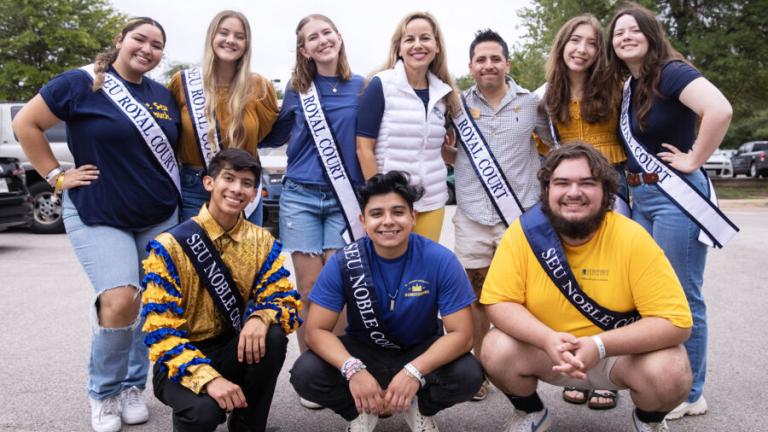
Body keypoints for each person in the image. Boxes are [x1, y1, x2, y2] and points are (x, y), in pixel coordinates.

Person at [12, 17, 180, 432]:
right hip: (98, 209)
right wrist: (55, 176)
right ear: (120, 40)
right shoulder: (81, 83)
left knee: (149, 304)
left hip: (158, 212)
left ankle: (131, 388)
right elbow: (25, 125)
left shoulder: (162, 95)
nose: (147, 49)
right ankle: (103, 393)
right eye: (139, 39)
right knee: (121, 297)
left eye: (157, 45)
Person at [480, 144, 693, 432]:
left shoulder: (632, 238)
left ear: (606, 192)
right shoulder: (523, 234)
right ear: (547, 191)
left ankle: (649, 422)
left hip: (618, 357)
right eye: (562, 183)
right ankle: (530, 413)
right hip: (550, 351)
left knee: (672, 369)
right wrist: (546, 339)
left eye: (587, 183)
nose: (573, 192)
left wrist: (600, 345)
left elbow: (676, 323)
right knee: (495, 347)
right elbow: (498, 302)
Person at [607, 3, 735, 419]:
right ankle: (664, 377)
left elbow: (720, 109)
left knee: (681, 297)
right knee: (654, 297)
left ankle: (691, 392)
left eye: (633, 30)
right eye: (618, 32)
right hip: (642, 198)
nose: (625, 37)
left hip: (674, 197)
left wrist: (695, 158)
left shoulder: (671, 72)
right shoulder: (632, 84)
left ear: (650, 34)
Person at [290, 171, 483, 432]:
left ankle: (421, 408)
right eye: (377, 214)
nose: (388, 222)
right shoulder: (345, 261)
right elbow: (315, 331)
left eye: (398, 212)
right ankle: (359, 411)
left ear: (413, 217)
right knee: (306, 373)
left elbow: (462, 335)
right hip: (364, 350)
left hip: (420, 349)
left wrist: (414, 372)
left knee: (468, 374)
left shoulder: (440, 259)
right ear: (363, 220)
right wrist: (353, 369)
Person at [141, 149, 302, 432]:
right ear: (209, 183)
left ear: (254, 194)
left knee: (273, 336)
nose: (237, 189)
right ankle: (193, 411)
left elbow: (284, 300)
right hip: (179, 358)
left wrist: (260, 317)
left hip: (231, 348)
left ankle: (248, 426)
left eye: (247, 183)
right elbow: (161, 333)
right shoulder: (169, 246)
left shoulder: (261, 241)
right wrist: (209, 379)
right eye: (229, 178)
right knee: (205, 411)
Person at [259, 13, 365, 408]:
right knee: (309, 290)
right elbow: (273, 134)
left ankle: (338, 366)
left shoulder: (363, 86)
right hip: (301, 196)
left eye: (326, 33)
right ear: (303, 50)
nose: (322, 41)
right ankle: (312, 372)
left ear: (338, 37)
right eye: (312, 38)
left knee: (339, 290)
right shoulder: (296, 89)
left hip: (344, 198)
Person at [448, 29, 550, 402]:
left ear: (507, 63)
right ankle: (478, 370)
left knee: (521, 297)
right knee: (474, 298)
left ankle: (521, 366)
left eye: (495, 59)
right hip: (472, 215)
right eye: (481, 60)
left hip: (519, 217)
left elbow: (553, 146)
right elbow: (446, 149)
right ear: (471, 66)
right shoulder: (454, 104)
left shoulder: (532, 104)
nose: (488, 65)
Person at [541, 14, 626, 409]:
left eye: (592, 43)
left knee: (611, 280)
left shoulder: (616, 87)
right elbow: (542, 145)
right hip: (572, 194)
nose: (583, 49)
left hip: (612, 188)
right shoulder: (548, 94)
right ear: (563, 45)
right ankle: (579, 370)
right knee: (576, 282)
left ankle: (607, 372)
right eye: (576, 40)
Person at [356, 11, 460, 242]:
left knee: (421, 273)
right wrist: (380, 199)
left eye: (425, 38)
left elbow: (433, 147)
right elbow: (364, 148)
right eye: (409, 39)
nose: (417, 45)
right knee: (390, 271)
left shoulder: (444, 94)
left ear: (437, 46)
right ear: (399, 48)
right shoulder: (380, 85)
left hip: (432, 201)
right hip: (391, 203)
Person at [170, 10, 279, 225]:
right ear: (212, 36)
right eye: (224, 33)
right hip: (196, 185)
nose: (231, 40)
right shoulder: (182, 83)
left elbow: (265, 135)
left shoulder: (260, 87)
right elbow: (166, 132)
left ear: (247, 44)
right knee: (197, 257)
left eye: (239, 36)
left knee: (245, 257)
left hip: (243, 187)